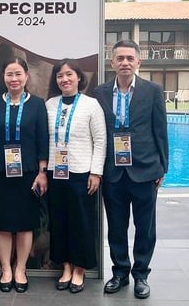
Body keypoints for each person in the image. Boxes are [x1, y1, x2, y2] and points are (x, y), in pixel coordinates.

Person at [93, 40, 168, 299]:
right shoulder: (99, 94)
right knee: (116, 225)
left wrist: (163, 167)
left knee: (145, 227)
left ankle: (141, 275)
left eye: (129, 58)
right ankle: (120, 272)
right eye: (120, 58)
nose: (125, 62)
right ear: (111, 62)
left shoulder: (153, 91)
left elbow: (160, 130)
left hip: (145, 170)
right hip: (113, 172)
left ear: (138, 62)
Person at [0, 57, 48, 293]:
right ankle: (6, 269)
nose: (14, 79)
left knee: (25, 224)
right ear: (3, 77)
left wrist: (42, 172)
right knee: (2, 225)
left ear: (26, 76)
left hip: (28, 173)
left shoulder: (37, 104)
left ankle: (21, 269)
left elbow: (43, 141)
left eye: (18, 74)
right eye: (10, 74)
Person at [45, 59, 106, 294]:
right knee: (59, 221)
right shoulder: (50, 104)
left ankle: (80, 269)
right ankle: (66, 267)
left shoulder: (92, 105)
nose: (65, 79)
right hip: (55, 172)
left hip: (82, 173)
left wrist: (96, 172)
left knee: (81, 221)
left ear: (79, 78)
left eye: (69, 74)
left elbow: (100, 140)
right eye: (60, 76)